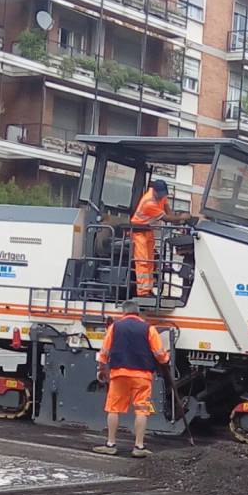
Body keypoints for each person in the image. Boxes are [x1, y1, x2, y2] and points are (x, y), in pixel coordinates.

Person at [93, 300, 170, 457]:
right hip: (142, 376)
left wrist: (101, 369)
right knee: (142, 410)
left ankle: (110, 444)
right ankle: (139, 447)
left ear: (124, 312)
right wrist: (165, 360)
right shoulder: (149, 328)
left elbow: (104, 351)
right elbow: (159, 353)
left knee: (113, 409)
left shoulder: (115, 327)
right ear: (138, 312)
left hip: (119, 374)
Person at [129, 179, 193, 296]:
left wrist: (177, 221)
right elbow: (166, 218)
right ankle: (143, 292)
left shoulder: (160, 195)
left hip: (147, 230)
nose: (163, 196)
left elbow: (168, 211)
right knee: (143, 261)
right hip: (138, 232)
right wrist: (181, 217)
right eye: (161, 194)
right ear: (155, 191)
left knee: (150, 261)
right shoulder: (149, 202)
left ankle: (148, 289)